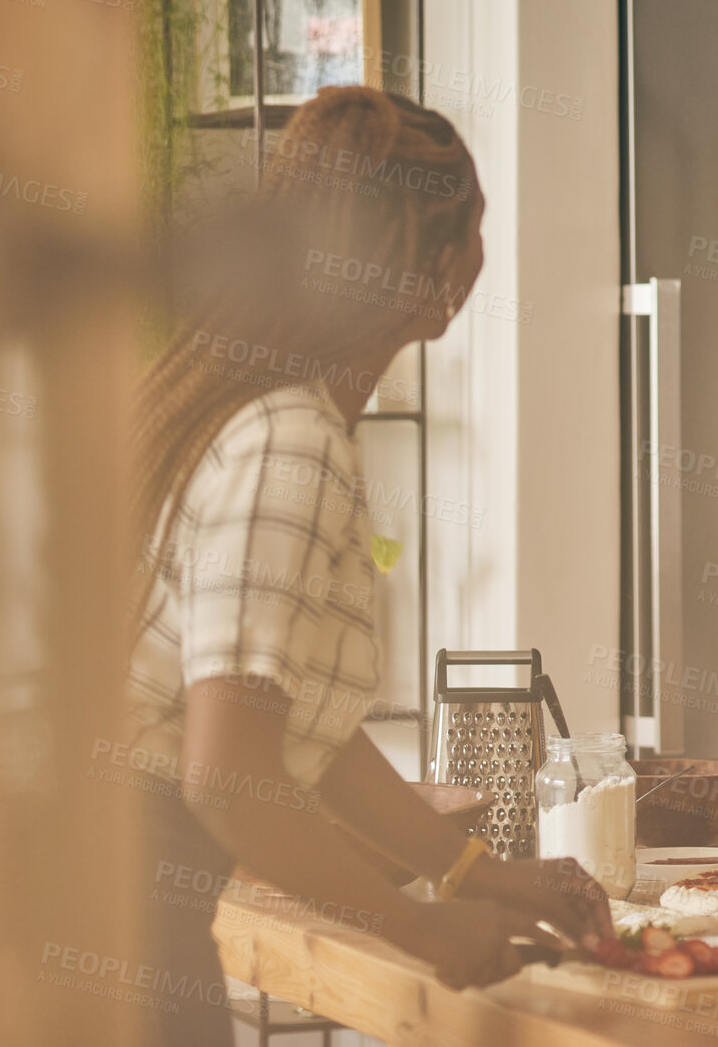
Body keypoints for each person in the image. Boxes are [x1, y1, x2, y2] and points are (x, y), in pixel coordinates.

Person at [127, 86, 609, 1045]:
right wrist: (418, 925)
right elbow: (226, 776)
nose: (484, 254)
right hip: (117, 916)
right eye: (475, 227)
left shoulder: (250, 403)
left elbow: (295, 721)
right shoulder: (289, 442)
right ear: (432, 275)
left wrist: (477, 873)